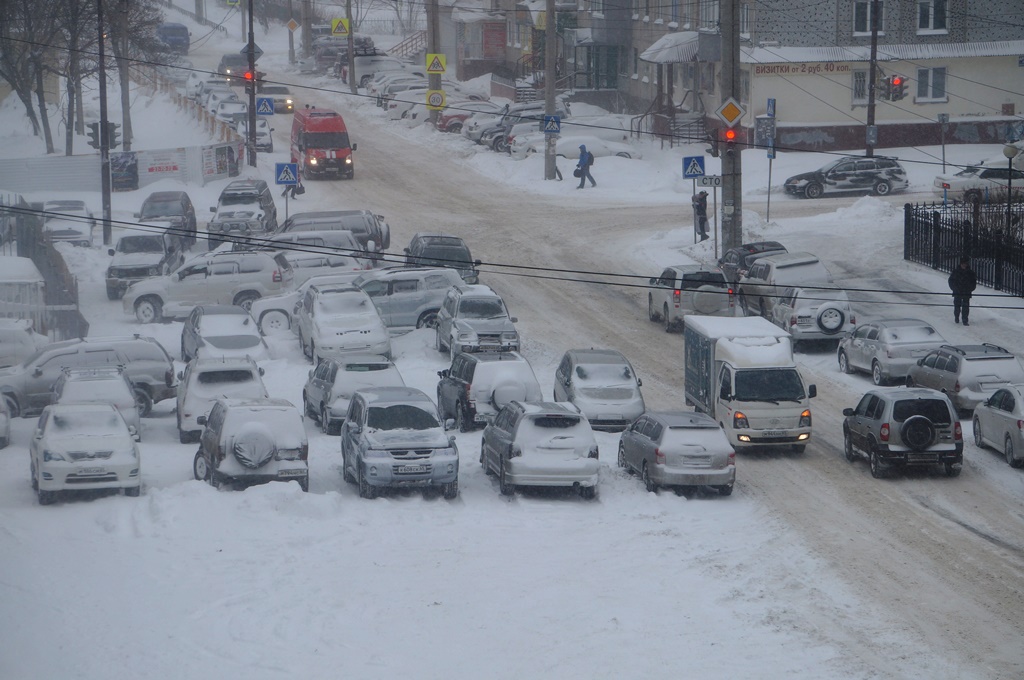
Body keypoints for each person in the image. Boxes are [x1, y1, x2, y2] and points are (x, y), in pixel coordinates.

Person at [948, 256, 977, 325]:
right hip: (957, 291)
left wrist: (970, 288)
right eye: (963, 263)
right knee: (957, 306)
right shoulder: (956, 272)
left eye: (965, 264)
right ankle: (957, 317)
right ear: (960, 264)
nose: (964, 265)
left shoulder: (970, 273)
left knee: (965, 307)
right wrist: (954, 288)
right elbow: (951, 281)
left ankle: (965, 320)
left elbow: (973, 282)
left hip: (966, 291)